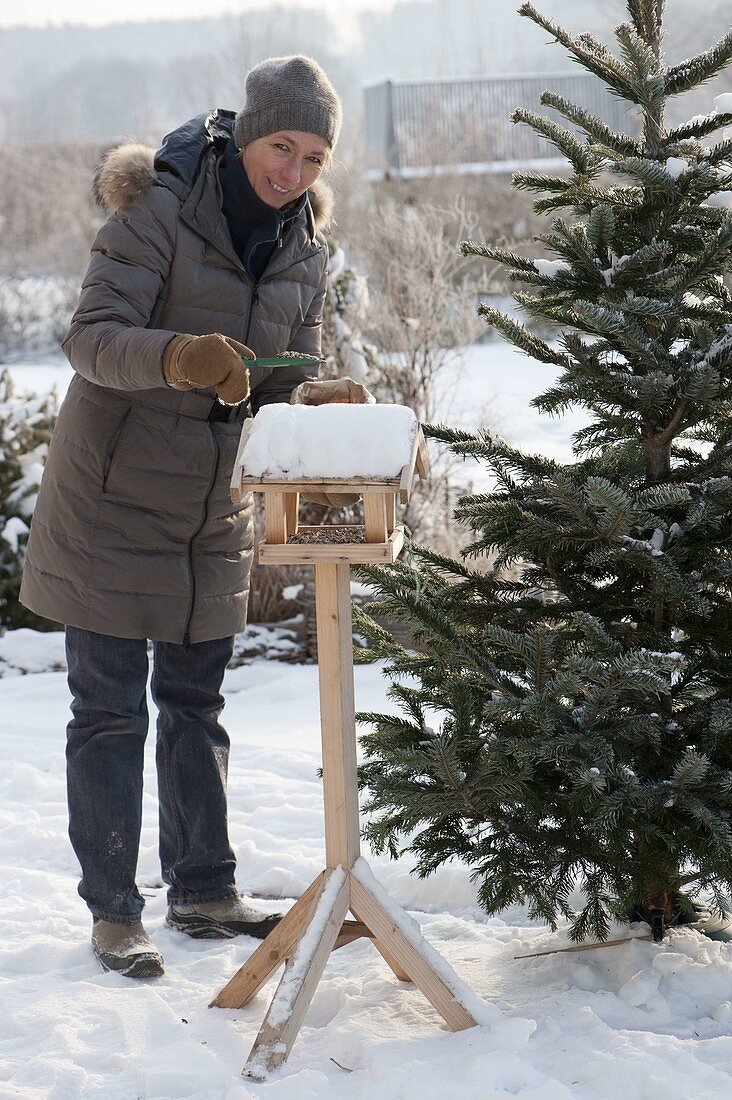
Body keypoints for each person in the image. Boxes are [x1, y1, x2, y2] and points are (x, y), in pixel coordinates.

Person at [20, 55, 369, 979]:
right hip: (112, 500)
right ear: (247, 133)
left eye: (314, 157)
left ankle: (205, 889)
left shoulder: (306, 252)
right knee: (107, 714)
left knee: (196, 704)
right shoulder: (158, 212)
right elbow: (91, 339)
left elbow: (297, 366)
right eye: (282, 146)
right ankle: (114, 915)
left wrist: (321, 397)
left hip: (213, 512)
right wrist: (180, 357)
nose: (293, 171)